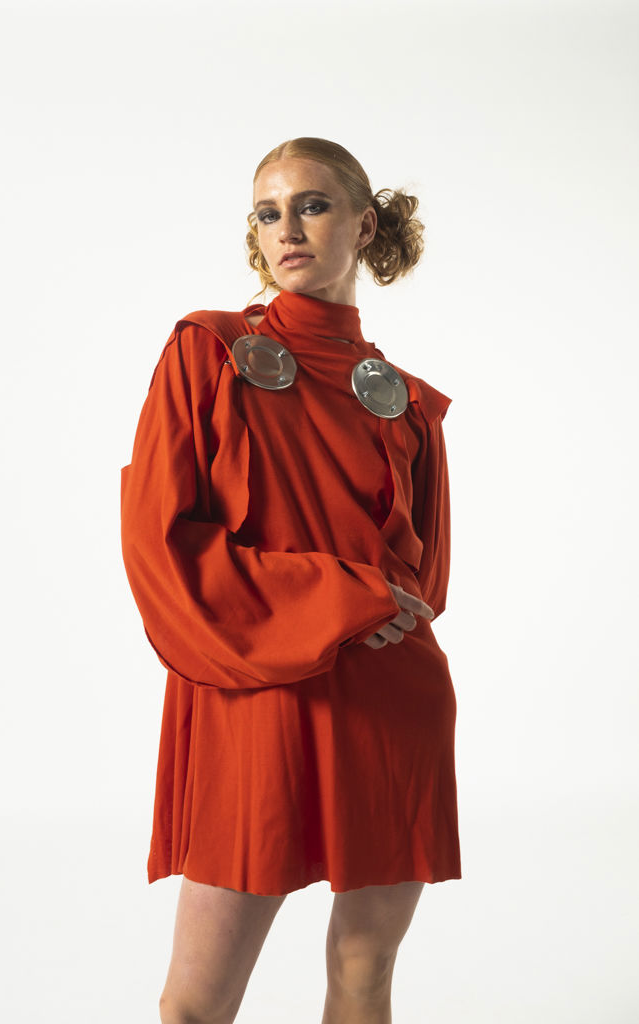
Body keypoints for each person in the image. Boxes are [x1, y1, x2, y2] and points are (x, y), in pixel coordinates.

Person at [120, 136, 461, 1024]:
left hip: (390, 697)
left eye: (311, 205)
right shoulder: (207, 351)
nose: (287, 229)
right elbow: (161, 544)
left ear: (364, 225)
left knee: (363, 973)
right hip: (254, 689)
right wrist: (343, 596)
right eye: (268, 213)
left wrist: (375, 602)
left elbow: (422, 585)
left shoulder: (407, 401)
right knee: (196, 1005)